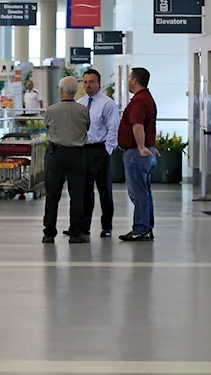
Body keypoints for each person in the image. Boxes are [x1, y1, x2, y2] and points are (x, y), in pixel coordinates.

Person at [42, 76, 91, 244]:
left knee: (52, 195)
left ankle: (49, 233)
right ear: (75, 91)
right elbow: (87, 127)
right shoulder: (83, 110)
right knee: (77, 195)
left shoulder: (51, 110)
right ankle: (75, 232)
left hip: (57, 154)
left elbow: (47, 126)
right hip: (77, 155)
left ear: (61, 91)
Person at [79, 68, 121, 238]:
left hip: (100, 150)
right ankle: (84, 225)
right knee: (84, 191)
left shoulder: (107, 103)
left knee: (104, 190)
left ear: (99, 83)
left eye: (91, 82)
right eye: (85, 82)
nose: (88, 85)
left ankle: (107, 226)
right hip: (83, 150)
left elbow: (113, 128)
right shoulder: (80, 103)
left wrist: (107, 149)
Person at [119, 66, 159, 242]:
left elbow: (137, 125)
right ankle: (146, 227)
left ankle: (141, 228)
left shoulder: (139, 101)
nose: (128, 81)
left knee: (138, 193)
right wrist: (150, 145)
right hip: (145, 151)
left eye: (129, 78)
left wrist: (142, 146)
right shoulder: (148, 99)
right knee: (144, 192)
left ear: (134, 80)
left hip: (137, 153)